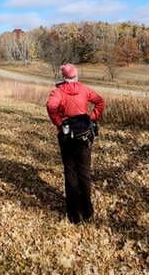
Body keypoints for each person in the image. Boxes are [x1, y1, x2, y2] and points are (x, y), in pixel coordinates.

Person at [46, 63, 106, 224]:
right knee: (84, 173)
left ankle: (74, 214)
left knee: (70, 172)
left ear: (63, 77)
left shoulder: (58, 91)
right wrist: (91, 118)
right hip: (85, 136)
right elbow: (100, 102)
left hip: (67, 137)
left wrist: (59, 123)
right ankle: (87, 210)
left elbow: (51, 105)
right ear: (76, 76)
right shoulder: (84, 89)